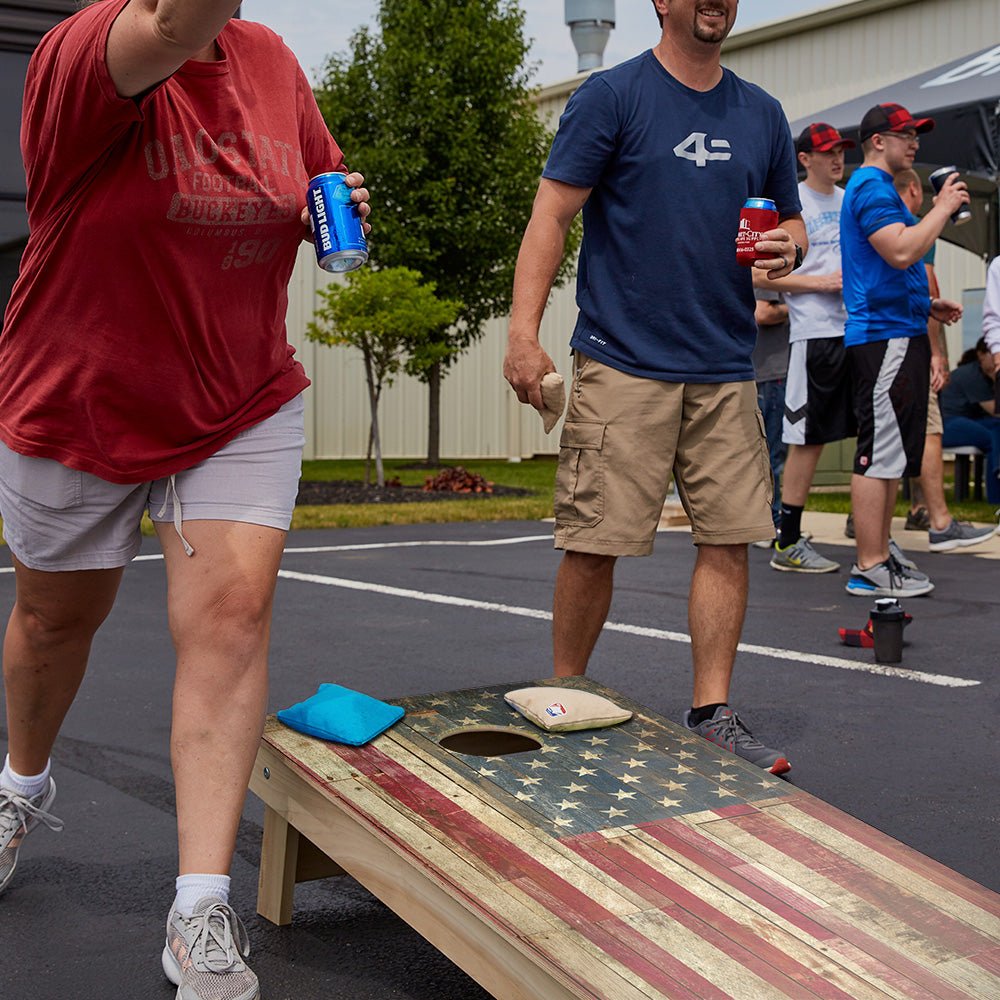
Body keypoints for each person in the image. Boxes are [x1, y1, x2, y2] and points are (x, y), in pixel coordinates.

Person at [0, 3, 370, 998]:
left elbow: (312, 178)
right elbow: (170, 21)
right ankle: (19, 784)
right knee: (51, 619)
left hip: (238, 396)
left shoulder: (271, 62)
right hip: (82, 395)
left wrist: (325, 203)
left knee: (231, 617)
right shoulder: (87, 51)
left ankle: (198, 907)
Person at [504, 0, 805, 774]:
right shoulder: (613, 96)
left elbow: (791, 226)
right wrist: (522, 332)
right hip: (622, 358)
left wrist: (785, 244)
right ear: (661, 2)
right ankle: (562, 696)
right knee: (594, 542)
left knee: (729, 539)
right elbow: (552, 215)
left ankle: (713, 712)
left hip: (724, 364)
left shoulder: (762, 113)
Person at [840, 103, 966, 598]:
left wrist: (926, 304)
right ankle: (869, 564)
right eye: (904, 134)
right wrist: (942, 206)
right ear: (877, 141)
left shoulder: (880, 191)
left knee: (891, 453)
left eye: (917, 134)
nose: (914, 142)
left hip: (899, 328)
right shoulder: (871, 187)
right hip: (883, 336)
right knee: (879, 452)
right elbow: (899, 250)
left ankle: (881, 551)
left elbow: (890, 263)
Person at [765, 123, 856, 575]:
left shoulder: (851, 199)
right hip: (813, 334)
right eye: (827, 152)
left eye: (841, 151)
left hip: (858, 330)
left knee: (875, 433)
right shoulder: (793, 205)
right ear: (805, 158)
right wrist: (820, 282)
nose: (837, 159)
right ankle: (788, 540)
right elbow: (762, 277)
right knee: (808, 439)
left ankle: (871, 533)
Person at [892, 169, 993, 551]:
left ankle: (907, 511)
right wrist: (937, 354)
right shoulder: (918, 227)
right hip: (911, 338)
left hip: (878, 339)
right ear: (916, 190)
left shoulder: (878, 225)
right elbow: (927, 286)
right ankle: (939, 522)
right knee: (929, 429)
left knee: (890, 430)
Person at [940, 338, 1000, 505]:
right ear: (981, 355)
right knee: (992, 438)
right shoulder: (972, 375)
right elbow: (996, 410)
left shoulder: (985, 375)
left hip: (967, 421)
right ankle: (995, 495)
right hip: (947, 423)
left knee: (996, 429)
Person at [751, 284, 790, 541]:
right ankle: (770, 522)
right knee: (771, 454)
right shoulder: (766, 270)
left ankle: (768, 521)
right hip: (771, 372)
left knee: (771, 453)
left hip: (771, 371)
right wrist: (800, 303)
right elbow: (763, 312)